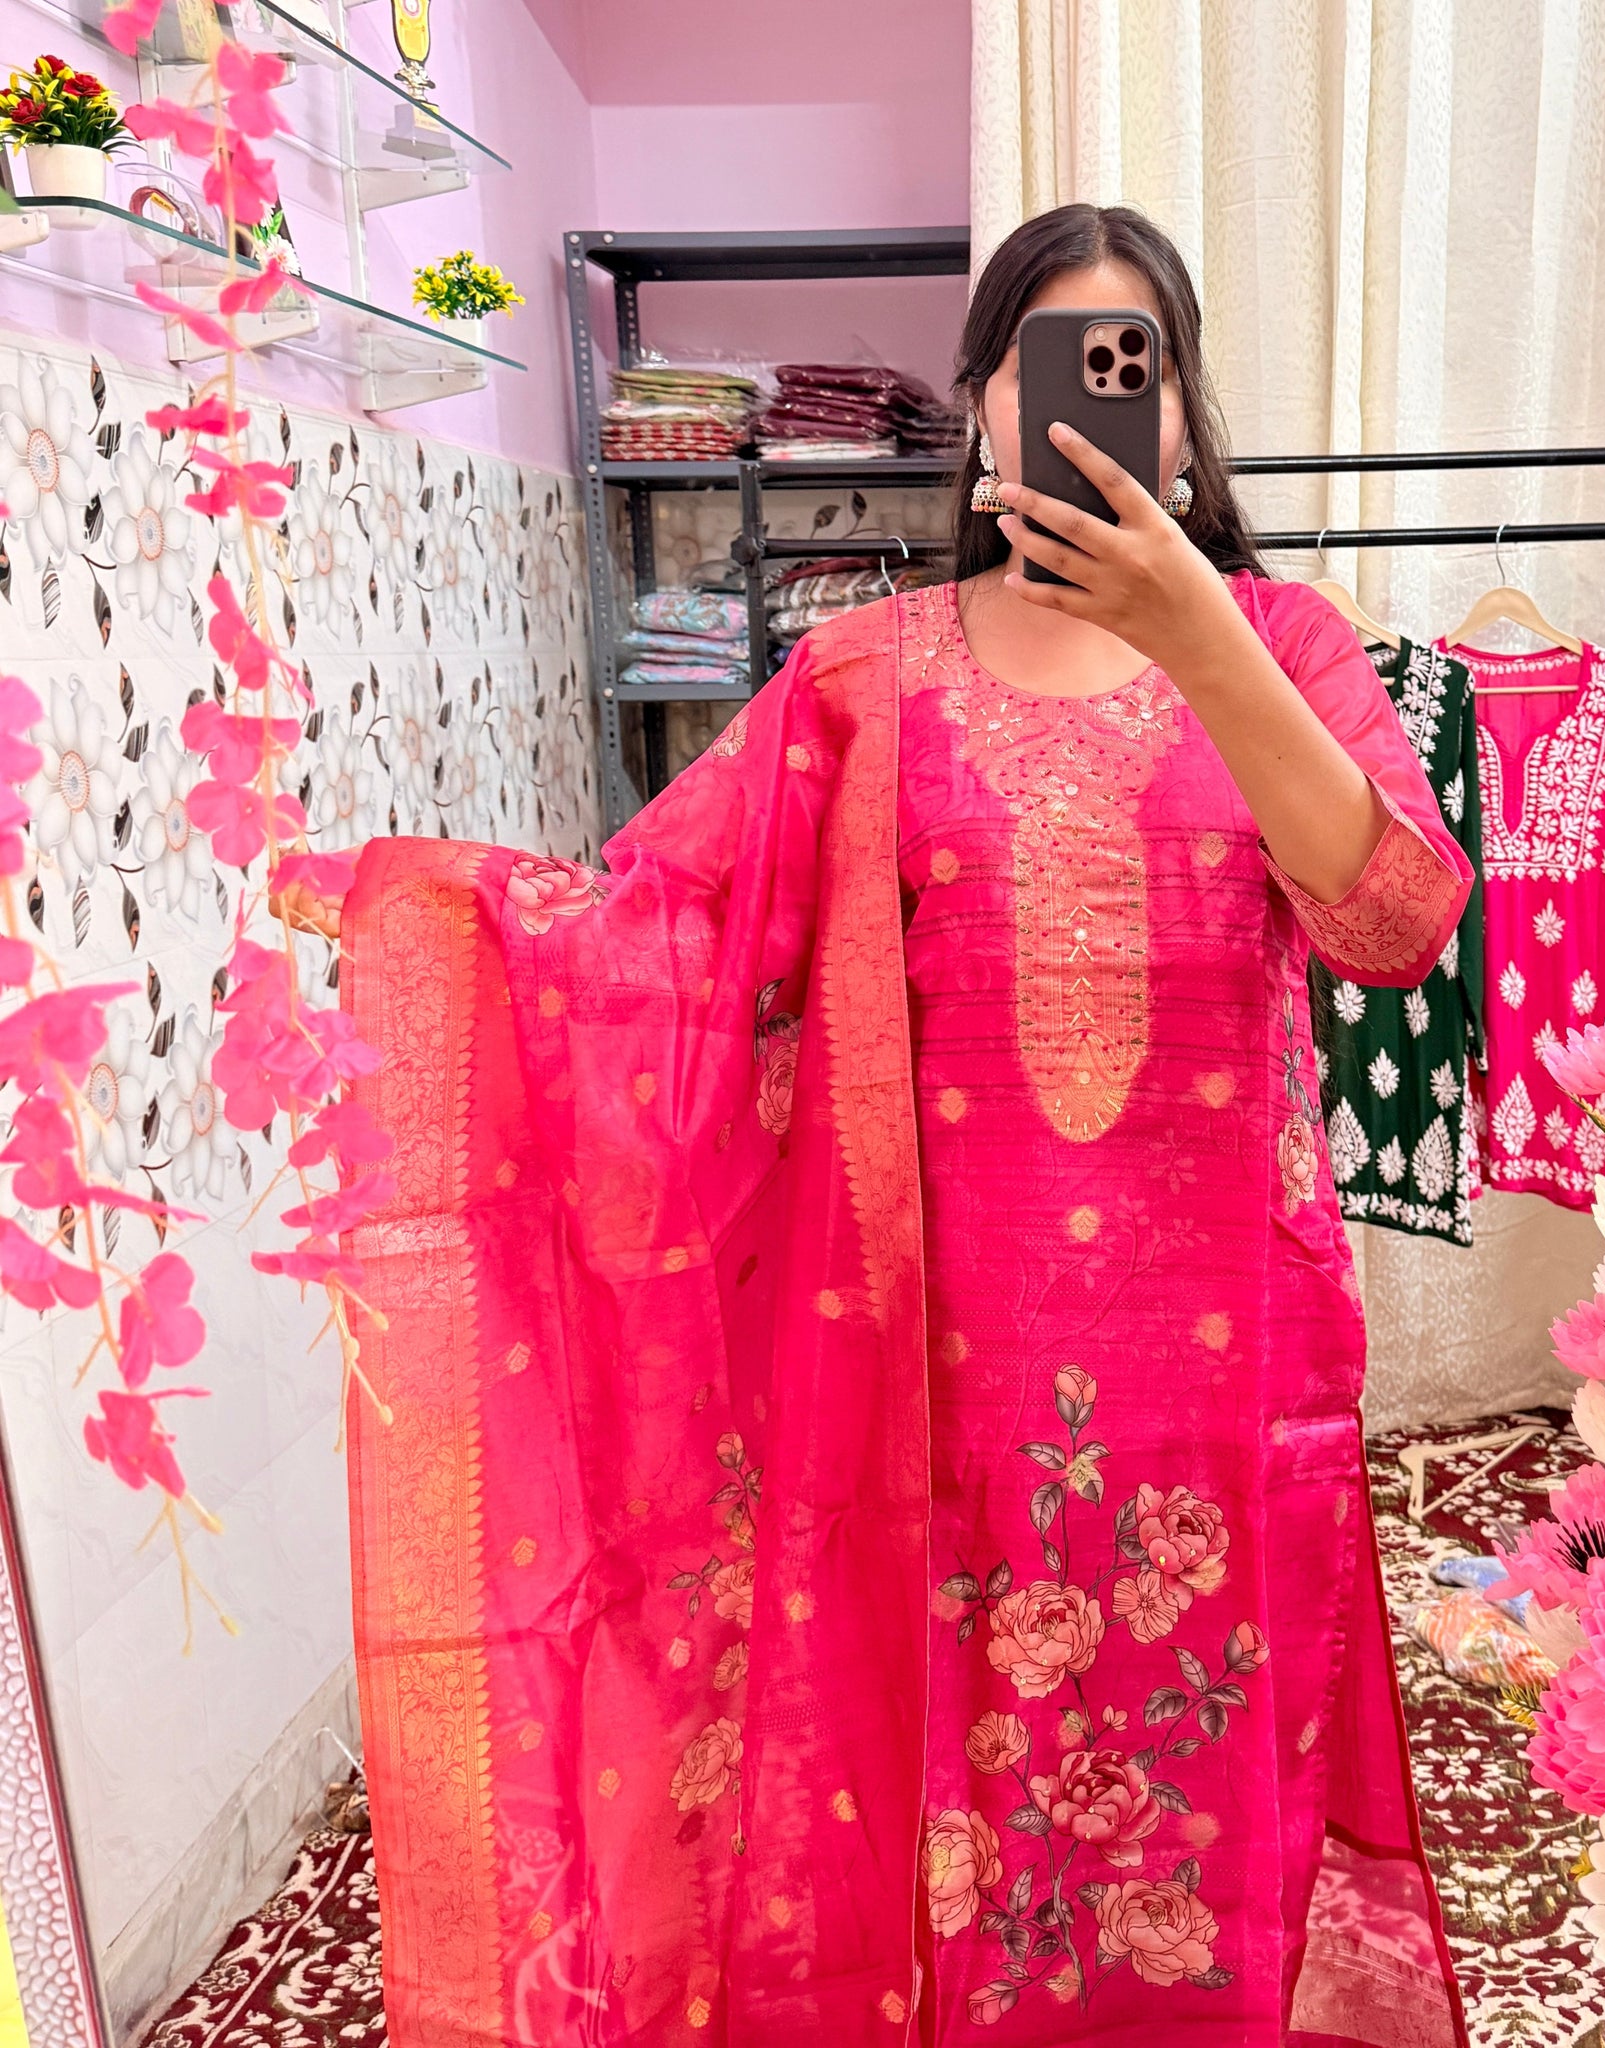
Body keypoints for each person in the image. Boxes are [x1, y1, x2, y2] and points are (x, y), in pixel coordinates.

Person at [319, 203, 1473, 2048]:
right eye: (1051, 364)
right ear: (980, 410)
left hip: (1227, 1375)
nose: (1095, 406)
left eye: (1138, 365)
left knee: (1210, 1806)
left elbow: (1399, 920)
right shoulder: (867, 677)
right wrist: (430, 925)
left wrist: (1201, 636)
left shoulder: (1289, 648)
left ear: (1185, 411)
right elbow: (659, 940)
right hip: (942, 1386)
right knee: (967, 1817)